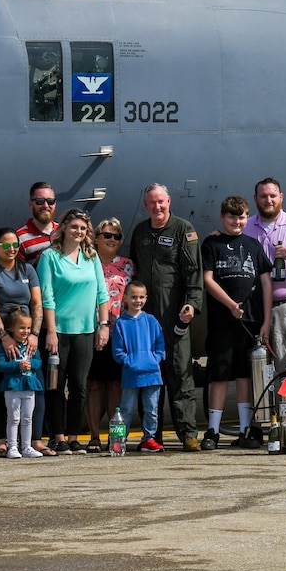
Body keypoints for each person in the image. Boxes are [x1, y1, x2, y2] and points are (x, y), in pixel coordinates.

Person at [125, 183, 206, 451]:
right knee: (149, 377)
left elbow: (194, 272)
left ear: (169, 201)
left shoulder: (184, 230)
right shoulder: (140, 233)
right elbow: (135, 272)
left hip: (175, 317)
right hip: (146, 321)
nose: (157, 207)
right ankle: (152, 435)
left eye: (161, 202)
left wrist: (192, 304)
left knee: (180, 374)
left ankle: (188, 434)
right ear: (145, 205)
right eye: (151, 203)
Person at [200, 195, 274, 450]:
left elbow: (266, 282)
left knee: (245, 375)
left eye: (241, 216)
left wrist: (266, 319)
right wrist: (231, 305)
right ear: (223, 217)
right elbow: (208, 280)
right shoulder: (212, 244)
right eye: (232, 216)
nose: (237, 221)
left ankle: (245, 429)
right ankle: (213, 430)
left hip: (250, 321)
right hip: (223, 320)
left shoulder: (253, 245)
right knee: (220, 375)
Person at [0, 227, 50, 457]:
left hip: (26, 336)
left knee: (35, 385)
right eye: (6, 245)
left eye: (15, 245)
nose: (11, 249)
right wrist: (5, 337)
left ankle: (34, 440)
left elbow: (37, 303)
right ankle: (2, 441)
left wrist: (34, 334)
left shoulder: (27, 269)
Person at [38, 209, 108, 454]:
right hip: (59, 332)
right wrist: (51, 331)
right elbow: (47, 296)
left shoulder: (91, 257)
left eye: (83, 228)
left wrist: (104, 325)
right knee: (55, 387)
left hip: (86, 331)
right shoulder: (50, 257)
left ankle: (74, 436)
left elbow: (102, 293)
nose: (78, 231)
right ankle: (58, 437)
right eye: (74, 227)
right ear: (64, 228)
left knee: (79, 386)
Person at [85, 217, 134, 452]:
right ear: (96, 238)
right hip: (91, 329)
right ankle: (94, 435)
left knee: (115, 385)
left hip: (119, 332)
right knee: (94, 385)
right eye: (107, 235)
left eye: (117, 236)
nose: (112, 240)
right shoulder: (86, 262)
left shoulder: (127, 265)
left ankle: (114, 435)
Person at [249, 178, 286, 368]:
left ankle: (285, 398)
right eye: (264, 196)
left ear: (281, 197)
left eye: (273, 196)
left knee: (284, 363)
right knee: (257, 364)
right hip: (254, 307)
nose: (269, 200)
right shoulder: (246, 227)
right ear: (256, 199)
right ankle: (260, 399)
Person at [110, 280, 168, 453]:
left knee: (151, 409)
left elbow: (160, 346)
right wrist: (130, 362)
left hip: (152, 373)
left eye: (141, 297)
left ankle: (149, 439)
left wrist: (153, 359)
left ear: (146, 298)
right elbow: (118, 351)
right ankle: (120, 441)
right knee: (126, 409)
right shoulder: (121, 323)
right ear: (125, 298)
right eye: (134, 297)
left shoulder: (151, 321)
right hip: (131, 374)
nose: (138, 300)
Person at [0, 307, 44, 459]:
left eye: (28, 328)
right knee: (13, 418)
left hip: (30, 385)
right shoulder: (5, 346)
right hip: (12, 386)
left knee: (27, 418)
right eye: (21, 327)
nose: (26, 331)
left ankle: (27, 447)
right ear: (11, 328)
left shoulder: (31, 345)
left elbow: (38, 361)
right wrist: (17, 366)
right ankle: (13, 447)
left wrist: (32, 365)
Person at [17, 182, 59, 261]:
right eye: (40, 201)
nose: (46, 206)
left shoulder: (64, 230)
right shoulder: (19, 238)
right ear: (30, 204)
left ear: (55, 203)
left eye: (50, 201)